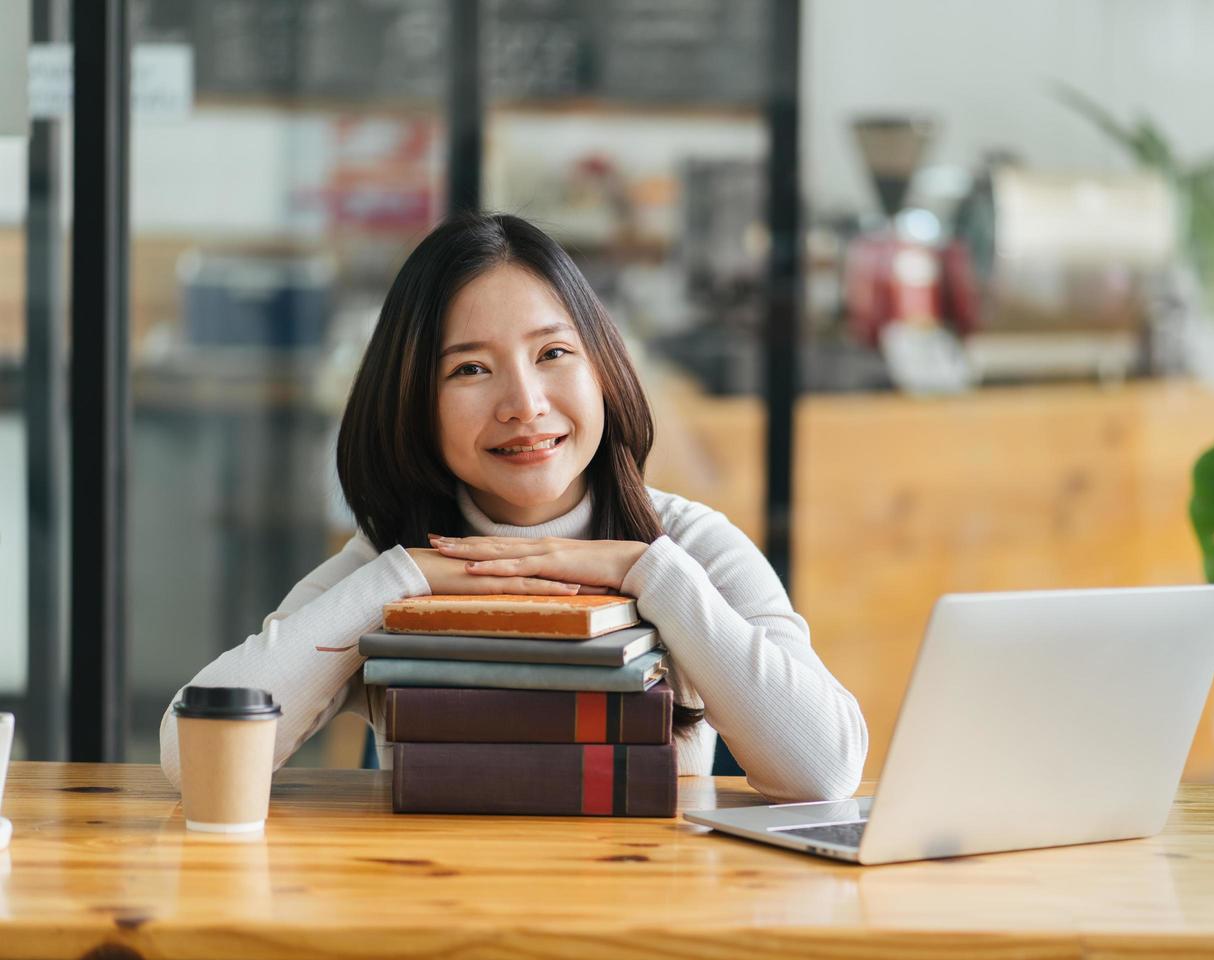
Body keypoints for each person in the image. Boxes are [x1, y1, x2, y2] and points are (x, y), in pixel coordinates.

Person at [158, 211, 868, 803]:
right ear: (414, 403)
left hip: (648, 917)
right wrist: (397, 583)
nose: (525, 405)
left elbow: (826, 770)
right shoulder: (394, 563)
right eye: (470, 368)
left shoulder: (685, 544)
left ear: (604, 370)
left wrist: (649, 573)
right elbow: (191, 763)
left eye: (553, 353)